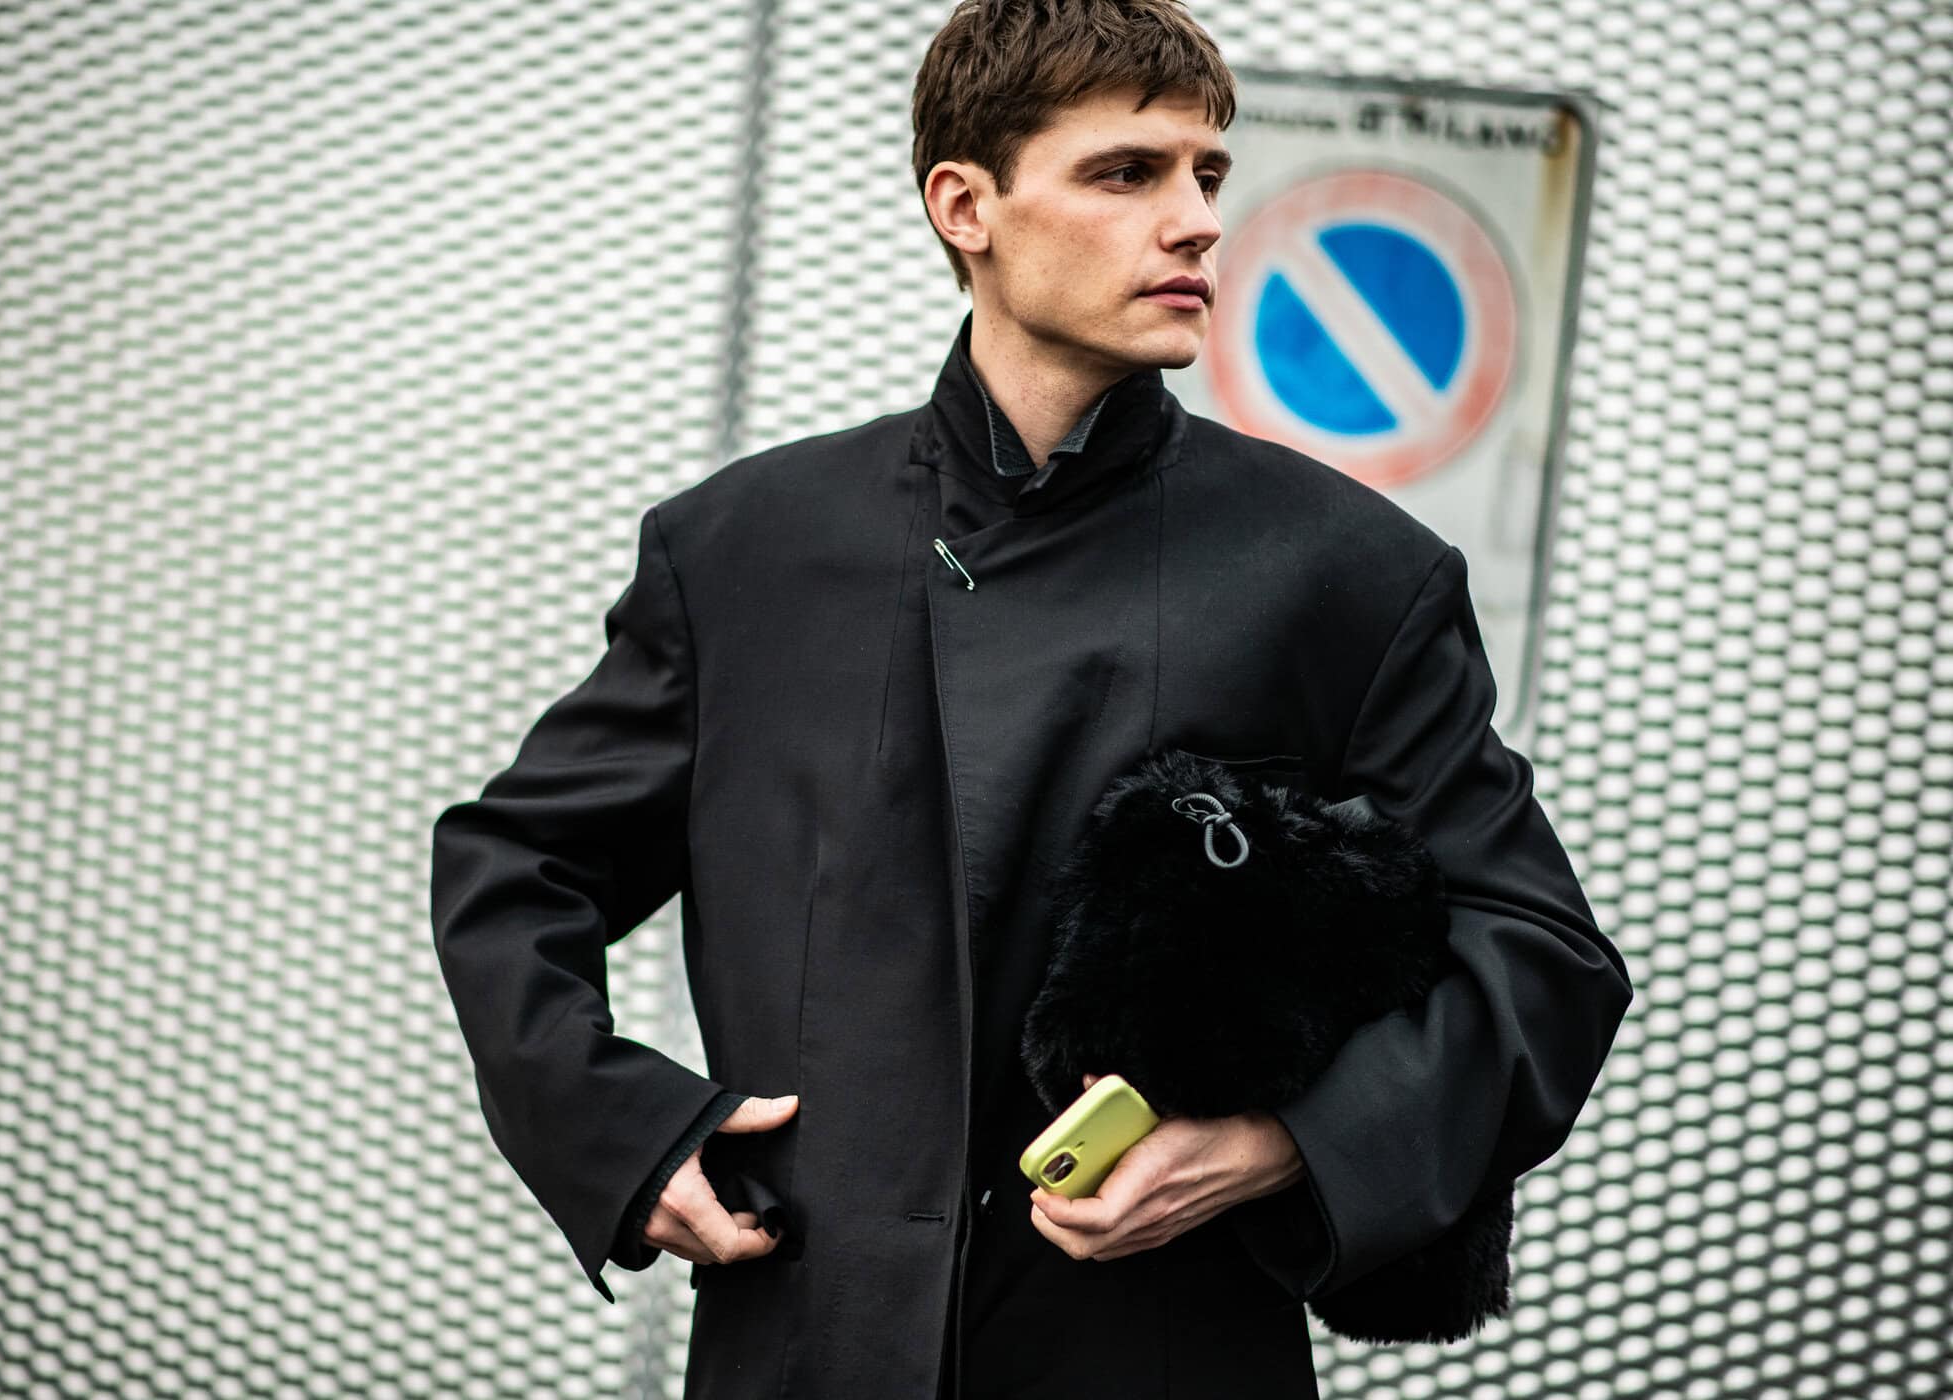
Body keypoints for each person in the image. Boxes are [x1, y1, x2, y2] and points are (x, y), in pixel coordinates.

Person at [428, 1, 1633, 1396]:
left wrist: (1279, 1145)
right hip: (807, 1340)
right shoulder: (745, 550)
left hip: (1160, 1359)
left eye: (1207, 174)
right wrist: (629, 1136)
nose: (1195, 222)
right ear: (967, 207)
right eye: (1126, 173)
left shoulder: (1346, 571)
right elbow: (516, 868)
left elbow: (1543, 958)